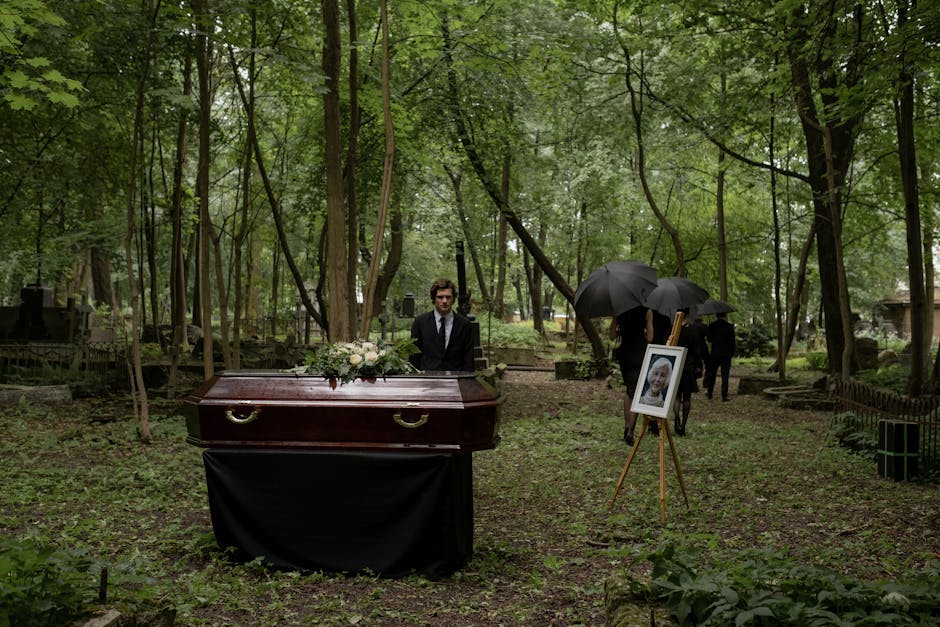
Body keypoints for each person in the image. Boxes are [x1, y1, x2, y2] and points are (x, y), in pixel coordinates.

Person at [608, 305, 653, 446]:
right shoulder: (646, 311)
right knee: (636, 393)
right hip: (639, 355)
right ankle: (630, 433)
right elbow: (650, 337)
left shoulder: (620, 310)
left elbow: (612, 335)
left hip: (624, 355)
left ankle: (627, 425)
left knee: (629, 390)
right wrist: (642, 333)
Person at [409, 278, 475, 372]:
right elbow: (414, 356)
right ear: (434, 299)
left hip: (456, 377)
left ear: (453, 299)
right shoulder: (420, 322)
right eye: (440, 297)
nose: (444, 301)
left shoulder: (465, 325)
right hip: (427, 377)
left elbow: (468, 359)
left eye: (448, 297)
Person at [673, 310, 707, 435]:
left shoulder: (674, 330)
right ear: (687, 315)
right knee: (687, 397)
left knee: (676, 395)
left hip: (676, 365)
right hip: (688, 366)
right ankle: (683, 425)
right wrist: (699, 365)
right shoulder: (693, 330)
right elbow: (697, 351)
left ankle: (676, 417)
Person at [704, 311, 736, 401]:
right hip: (726, 354)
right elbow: (733, 341)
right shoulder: (729, 326)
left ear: (716, 315)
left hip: (715, 354)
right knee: (725, 375)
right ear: (725, 315)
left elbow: (709, 340)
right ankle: (724, 395)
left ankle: (710, 394)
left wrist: (709, 331)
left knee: (712, 374)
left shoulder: (712, 326)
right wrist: (732, 353)